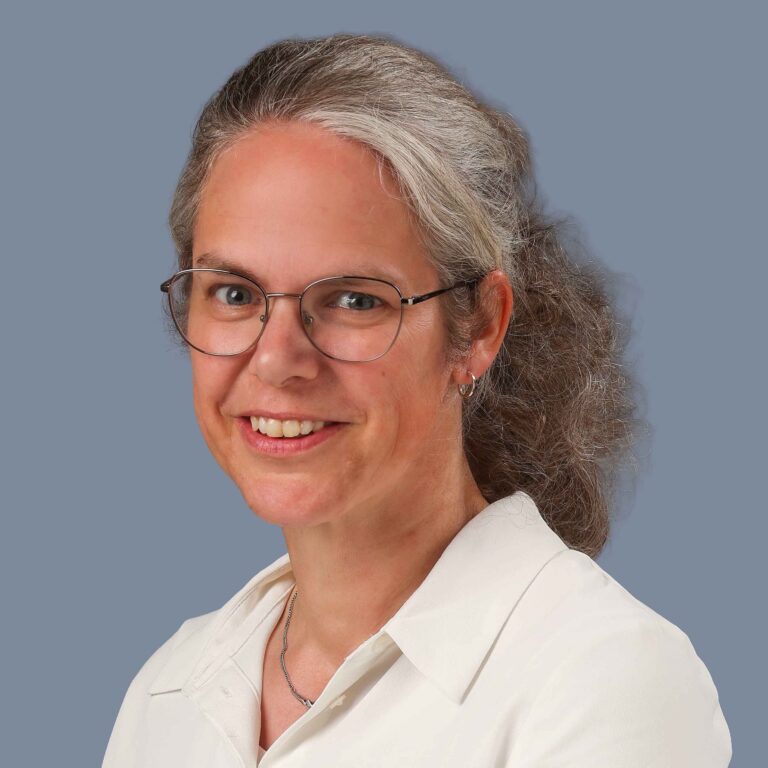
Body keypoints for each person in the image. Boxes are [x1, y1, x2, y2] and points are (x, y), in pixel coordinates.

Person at [102, 32, 732, 767]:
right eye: (235, 294)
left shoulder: (602, 681)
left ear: (480, 327)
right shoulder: (169, 692)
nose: (275, 360)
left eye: (354, 300)